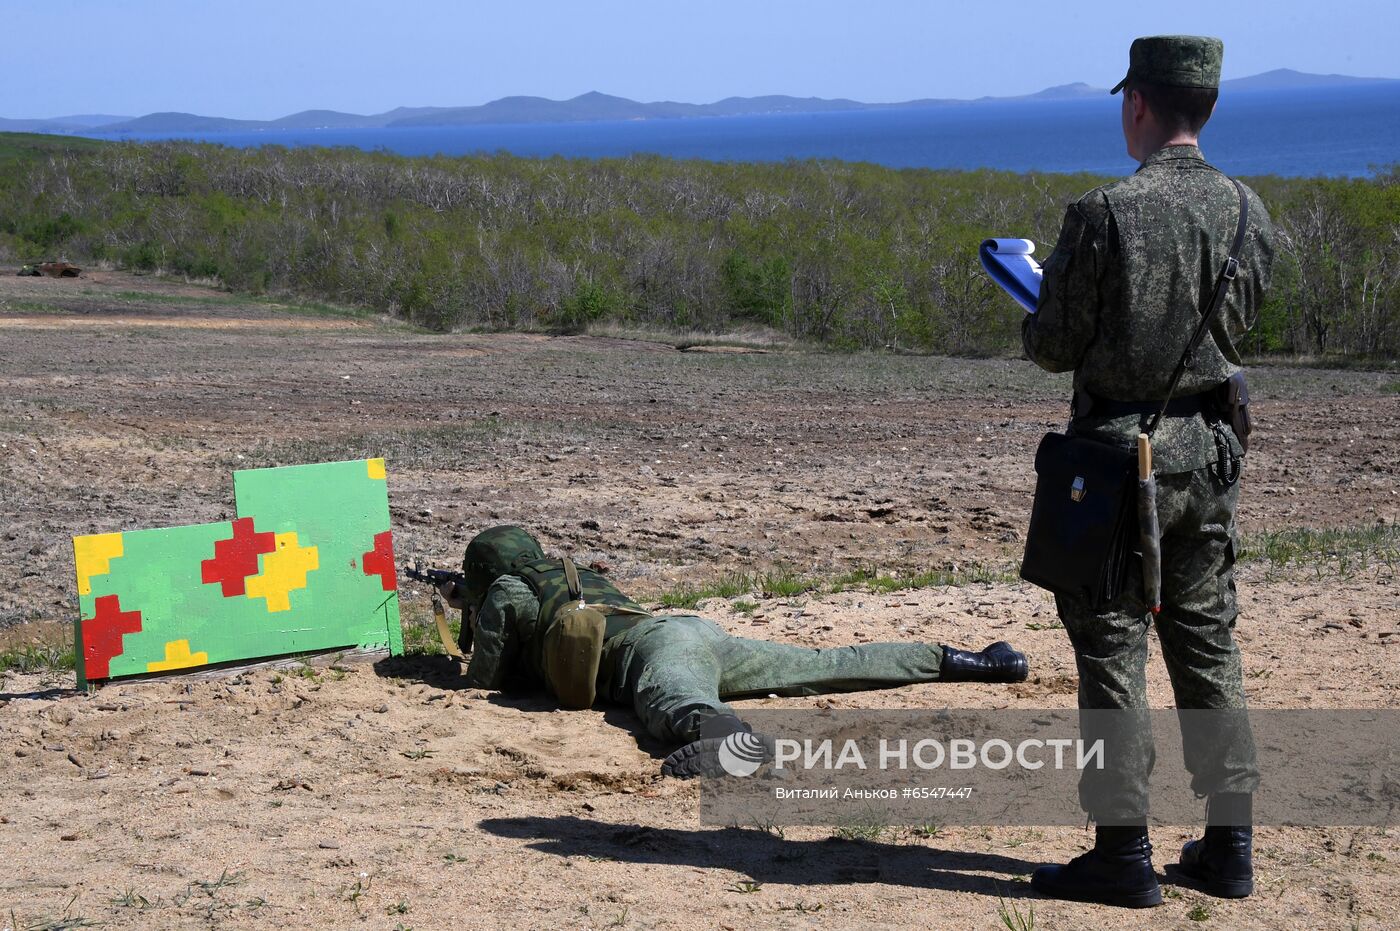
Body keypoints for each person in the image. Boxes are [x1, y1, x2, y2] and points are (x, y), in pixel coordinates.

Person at [1021, 35, 1274, 907]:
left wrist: (1037, 299)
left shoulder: (1102, 213)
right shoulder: (1248, 213)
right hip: (1210, 455)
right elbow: (1236, 332)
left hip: (1114, 462)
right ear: (1207, 107)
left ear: (1137, 103)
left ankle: (1122, 851)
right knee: (1206, 638)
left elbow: (1053, 345)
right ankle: (1230, 844)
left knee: (1110, 642)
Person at [438, 525, 1029, 778]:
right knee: (823, 665)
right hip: (690, 630)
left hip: (655, 649)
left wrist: (468, 614)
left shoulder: (507, 592)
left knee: (673, 700)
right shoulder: (569, 572)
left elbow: (485, 677)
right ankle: (977, 660)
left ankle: (733, 744)